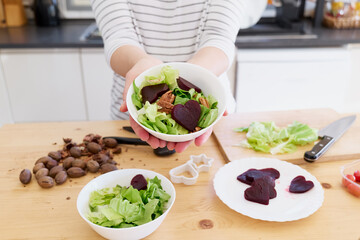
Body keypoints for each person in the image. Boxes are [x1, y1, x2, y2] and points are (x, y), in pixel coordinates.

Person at [90, 0, 267, 152]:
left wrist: (198, 75)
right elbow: (118, 36)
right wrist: (141, 64)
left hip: (210, 117)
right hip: (132, 115)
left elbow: (219, 36)